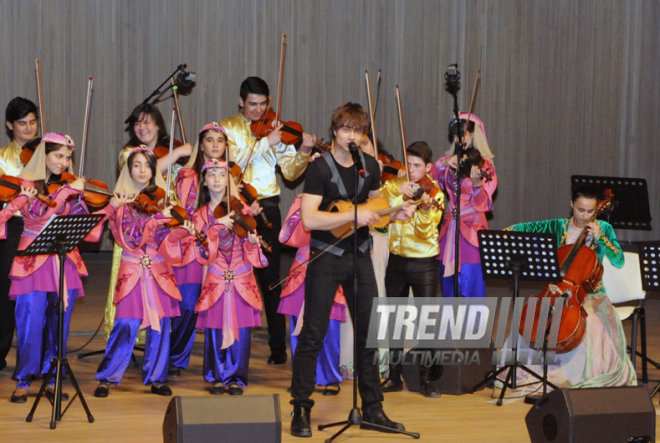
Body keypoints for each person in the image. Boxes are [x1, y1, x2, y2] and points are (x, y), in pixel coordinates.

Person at [289, 103, 414, 438]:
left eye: (358, 131)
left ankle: (373, 408)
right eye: (346, 129)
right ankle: (300, 407)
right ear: (334, 132)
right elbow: (310, 219)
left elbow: (374, 207)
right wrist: (351, 216)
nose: (352, 136)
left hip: (360, 255)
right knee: (313, 333)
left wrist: (394, 213)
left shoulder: (369, 166)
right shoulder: (318, 169)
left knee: (368, 335)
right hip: (326, 256)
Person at [7, 133, 125, 403]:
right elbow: (38, 214)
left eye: (68, 157)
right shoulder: (28, 184)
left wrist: (109, 206)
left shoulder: (70, 188)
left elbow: (85, 228)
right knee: (29, 322)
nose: (64, 162)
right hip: (31, 262)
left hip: (62, 260)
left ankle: (52, 376)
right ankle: (24, 379)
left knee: (59, 324)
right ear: (43, 155)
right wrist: (66, 193)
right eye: (58, 156)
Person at [221, 76, 316, 365]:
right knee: (233, 277)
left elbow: (289, 173)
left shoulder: (274, 127)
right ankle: (232, 346)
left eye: (263, 104)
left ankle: (278, 347)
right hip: (237, 208)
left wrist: (302, 152)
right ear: (241, 101)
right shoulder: (226, 128)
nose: (258, 111)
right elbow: (231, 164)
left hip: (268, 209)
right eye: (252, 104)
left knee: (271, 280)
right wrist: (265, 142)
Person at [503, 186, 636, 388]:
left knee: (590, 323)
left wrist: (602, 239)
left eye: (591, 211)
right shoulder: (557, 226)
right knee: (533, 318)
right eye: (580, 209)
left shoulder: (603, 228)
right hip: (556, 290)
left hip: (590, 293)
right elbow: (523, 228)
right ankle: (532, 371)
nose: (585, 216)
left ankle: (576, 377)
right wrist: (505, 233)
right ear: (571, 205)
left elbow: (618, 260)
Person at [94, 145, 194, 398]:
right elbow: (130, 238)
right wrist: (156, 219)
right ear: (128, 170)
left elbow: (168, 242)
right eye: (136, 165)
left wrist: (182, 230)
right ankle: (108, 375)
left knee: (161, 324)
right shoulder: (121, 202)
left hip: (159, 270)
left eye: (147, 165)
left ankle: (157, 376)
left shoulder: (164, 202)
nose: (142, 171)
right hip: (132, 269)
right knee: (125, 323)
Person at [189, 158, 267, 395]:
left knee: (241, 331)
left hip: (241, 278)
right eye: (211, 174)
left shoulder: (241, 210)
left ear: (229, 180)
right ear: (204, 180)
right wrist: (214, 227)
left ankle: (237, 378)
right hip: (216, 278)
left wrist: (253, 244)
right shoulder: (200, 215)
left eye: (222, 175)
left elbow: (250, 251)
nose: (216, 179)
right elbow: (201, 252)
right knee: (215, 329)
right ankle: (216, 375)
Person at [379, 141, 445, 397]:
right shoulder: (395, 184)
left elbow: (424, 232)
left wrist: (424, 209)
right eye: (408, 164)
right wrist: (398, 192)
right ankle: (394, 376)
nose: (412, 170)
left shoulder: (435, 194)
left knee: (426, 323)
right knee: (395, 319)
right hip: (396, 260)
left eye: (417, 166)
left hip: (424, 263)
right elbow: (381, 211)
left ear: (428, 167)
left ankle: (426, 379)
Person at [278, 194, 346, 396]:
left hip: (332, 265)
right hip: (303, 266)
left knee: (330, 327)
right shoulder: (301, 199)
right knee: (298, 328)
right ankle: (301, 377)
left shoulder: (344, 200)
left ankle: (329, 376)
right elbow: (288, 236)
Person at [430, 113, 497, 297]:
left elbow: (482, 204)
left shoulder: (484, 165)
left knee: (471, 284)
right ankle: (449, 325)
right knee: (447, 286)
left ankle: (472, 326)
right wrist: (444, 163)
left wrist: (477, 185)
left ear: (474, 134)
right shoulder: (448, 159)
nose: (459, 139)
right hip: (449, 227)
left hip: (472, 229)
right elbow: (431, 180)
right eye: (455, 136)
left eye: (464, 134)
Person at [0, 97, 39, 372]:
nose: (29, 129)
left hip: (42, 226)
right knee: (5, 291)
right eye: (22, 124)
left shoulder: (49, 153)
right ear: (9, 126)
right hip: (13, 226)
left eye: (33, 122)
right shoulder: (2, 157)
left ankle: (37, 356)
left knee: (38, 294)